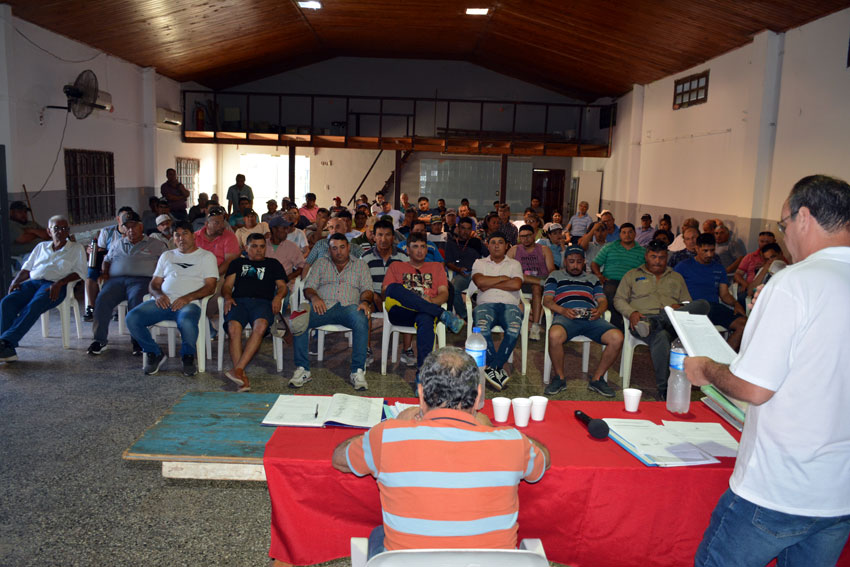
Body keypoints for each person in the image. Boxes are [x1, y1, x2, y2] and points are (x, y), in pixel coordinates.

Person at [685, 175, 850, 566]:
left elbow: (754, 388)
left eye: (784, 224)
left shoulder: (796, 282)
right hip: (839, 493)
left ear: (804, 216)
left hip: (779, 488)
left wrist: (707, 367)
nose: (785, 234)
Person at [331, 346, 549, 558]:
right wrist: (489, 428)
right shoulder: (512, 442)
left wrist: (398, 421)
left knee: (379, 533)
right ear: (478, 395)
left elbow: (339, 457)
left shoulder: (387, 436)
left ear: (421, 394)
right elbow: (544, 459)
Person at [613, 239, 710, 400]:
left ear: (667, 258)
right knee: (662, 337)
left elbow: (688, 302)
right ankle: (664, 389)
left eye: (662, 257)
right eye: (653, 256)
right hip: (642, 321)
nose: (657, 261)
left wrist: (679, 306)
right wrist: (631, 312)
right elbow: (619, 299)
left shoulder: (676, 277)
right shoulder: (632, 275)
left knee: (703, 305)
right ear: (646, 256)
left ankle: (660, 320)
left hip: (674, 320)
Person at [126, 221, 218, 376]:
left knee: (187, 321)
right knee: (132, 318)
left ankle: (187, 356)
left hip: (190, 304)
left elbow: (211, 286)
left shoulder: (206, 257)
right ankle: (154, 352)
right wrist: (158, 295)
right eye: (177, 235)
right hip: (164, 302)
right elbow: (154, 284)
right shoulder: (167, 256)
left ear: (194, 236)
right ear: (173, 239)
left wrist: (187, 298)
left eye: (185, 234)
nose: (181, 238)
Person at [289, 234, 373, 390]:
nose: (339, 251)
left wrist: (365, 302)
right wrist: (314, 298)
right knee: (299, 319)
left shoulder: (361, 265)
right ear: (329, 249)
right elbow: (309, 287)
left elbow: (367, 289)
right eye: (334, 248)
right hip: (322, 307)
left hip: (349, 307)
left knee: (362, 320)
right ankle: (303, 369)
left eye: (342, 247)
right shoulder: (321, 263)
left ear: (348, 248)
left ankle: (357, 371)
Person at [0, 216, 86, 362]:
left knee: (34, 305)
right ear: (49, 231)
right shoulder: (41, 246)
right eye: (56, 228)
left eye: (65, 228)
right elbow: (27, 268)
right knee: (7, 302)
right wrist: (15, 281)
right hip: (33, 283)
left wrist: (60, 283)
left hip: (54, 286)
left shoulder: (76, 249)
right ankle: (6, 347)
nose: (61, 231)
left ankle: (6, 342)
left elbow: (81, 272)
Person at [543, 246, 624, 397]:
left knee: (617, 337)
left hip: (591, 317)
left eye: (579, 262)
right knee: (554, 335)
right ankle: (559, 378)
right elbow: (547, 300)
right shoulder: (555, 276)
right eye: (571, 261)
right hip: (565, 316)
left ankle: (597, 379)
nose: (575, 265)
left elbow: (602, 300)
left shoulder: (592, 278)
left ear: (584, 262)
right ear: (565, 262)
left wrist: (599, 311)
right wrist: (562, 310)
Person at [383, 232, 465, 378]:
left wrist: (431, 302)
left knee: (426, 319)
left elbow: (444, 294)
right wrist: (420, 299)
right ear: (407, 250)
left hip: (425, 312)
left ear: (427, 249)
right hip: (400, 311)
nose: (420, 250)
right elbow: (387, 292)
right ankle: (440, 314)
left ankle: (423, 376)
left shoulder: (436, 267)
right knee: (393, 288)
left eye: (423, 246)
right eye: (415, 246)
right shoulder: (396, 266)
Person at [86, 211, 168, 356]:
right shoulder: (117, 244)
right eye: (127, 227)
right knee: (102, 299)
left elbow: (167, 263)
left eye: (134, 226)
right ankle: (99, 340)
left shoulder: (156, 244)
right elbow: (106, 260)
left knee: (136, 300)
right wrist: (105, 273)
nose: (131, 230)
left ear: (141, 227)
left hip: (142, 280)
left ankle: (137, 341)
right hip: (117, 281)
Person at [222, 234, 288, 392]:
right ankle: (241, 374)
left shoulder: (273, 264)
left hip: (263, 303)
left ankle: (237, 370)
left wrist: (278, 297)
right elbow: (227, 285)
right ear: (246, 247)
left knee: (261, 325)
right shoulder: (237, 263)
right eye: (254, 246)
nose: (259, 250)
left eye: (262, 246)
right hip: (239, 301)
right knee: (233, 328)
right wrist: (227, 297)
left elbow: (282, 286)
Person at [674, 233, 747, 350]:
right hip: (693, 308)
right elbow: (673, 289)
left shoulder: (719, 268)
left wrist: (736, 304)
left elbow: (724, 294)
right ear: (696, 249)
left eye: (712, 250)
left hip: (713, 308)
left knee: (744, 324)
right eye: (705, 251)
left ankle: (724, 358)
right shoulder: (683, 267)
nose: (709, 254)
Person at [470, 232, 524, 390]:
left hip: (510, 305)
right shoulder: (479, 263)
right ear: (488, 245)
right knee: (481, 328)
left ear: (506, 245)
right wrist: (504, 278)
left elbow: (516, 285)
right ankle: (497, 368)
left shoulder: (514, 264)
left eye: (500, 242)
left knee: (514, 329)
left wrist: (489, 282)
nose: (496, 245)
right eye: (493, 242)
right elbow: (480, 282)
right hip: (485, 304)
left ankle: (492, 368)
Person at [361, 220, 408, 363]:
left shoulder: (403, 257)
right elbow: (362, 282)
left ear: (393, 237)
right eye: (380, 235)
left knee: (410, 305)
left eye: (388, 235)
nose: (383, 239)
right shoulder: (365, 258)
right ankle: (367, 349)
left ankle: (407, 350)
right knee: (363, 309)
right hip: (373, 298)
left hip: (396, 299)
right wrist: (373, 296)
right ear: (373, 237)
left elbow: (407, 283)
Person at [590, 222, 645, 331]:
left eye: (630, 232)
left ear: (635, 234)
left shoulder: (642, 251)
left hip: (632, 283)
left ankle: (631, 327)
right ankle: (616, 328)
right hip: (611, 281)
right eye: (624, 232)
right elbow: (594, 264)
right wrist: (599, 275)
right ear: (619, 235)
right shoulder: (609, 247)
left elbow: (646, 270)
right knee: (612, 295)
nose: (627, 235)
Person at [84, 207, 133, 321]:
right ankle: (92, 307)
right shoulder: (107, 231)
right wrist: (92, 250)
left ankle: (120, 308)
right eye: (124, 218)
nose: (126, 221)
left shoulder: (133, 232)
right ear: (118, 219)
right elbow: (100, 250)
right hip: (106, 262)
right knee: (91, 273)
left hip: (124, 264)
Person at [507, 224, 555, 341]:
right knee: (518, 275)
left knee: (536, 287)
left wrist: (545, 281)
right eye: (522, 236)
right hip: (521, 281)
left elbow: (551, 270)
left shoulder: (544, 250)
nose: (525, 239)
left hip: (540, 281)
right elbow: (506, 268)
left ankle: (535, 326)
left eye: (528, 236)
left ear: (534, 235)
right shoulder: (514, 250)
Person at [444, 217, 485, 319]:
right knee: (452, 288)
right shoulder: (451, 243)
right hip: (463, 275)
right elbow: (448, 263)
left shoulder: (476, 242)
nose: (465, 231)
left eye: (468, 229)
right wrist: (458, 270)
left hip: (479, 273)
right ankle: (465, 316)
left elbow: (489, 255)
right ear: (458, 228)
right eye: (463, 228)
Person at [265, 216, 306, 280]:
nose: (287, 231)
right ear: (274, 229)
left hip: (284, 285)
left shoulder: (292, 247)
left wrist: (288, 278)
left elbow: (302, 265)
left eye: (287, 228)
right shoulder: (262, 245)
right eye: (284, 228)